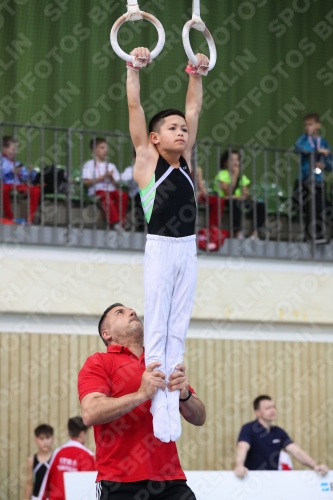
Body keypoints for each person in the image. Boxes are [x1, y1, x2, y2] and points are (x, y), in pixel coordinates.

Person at [127, 46, 208, 443]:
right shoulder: (147, 160)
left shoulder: (187, 161)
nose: (182, 131)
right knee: (156, 324)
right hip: (160, 247)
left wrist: (196, 73)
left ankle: (173, 391)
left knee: (179, 326)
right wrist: (133, 68)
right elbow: (135, 109)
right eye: (173, 129)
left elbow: (193, 109)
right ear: (156, 138)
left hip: (188, 250)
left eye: (184, 130)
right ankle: (155, 391)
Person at [79, 303, 205, 500]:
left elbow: (200, 418)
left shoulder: (163, 361)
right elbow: (90, 413)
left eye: (132, 310)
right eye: (120, 312)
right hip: (119, 482)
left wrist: (185, 395)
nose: (131, 312)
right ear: (107, 334)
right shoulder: (99, 362)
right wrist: (141, 394)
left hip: (171, 480)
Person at [234, 395, 328, 478]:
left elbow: (295, 450)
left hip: (273, 480)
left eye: (274, 407)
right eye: (268, 408)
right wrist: (239, 465)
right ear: (257, 412)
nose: (273, 410)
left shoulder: (278, 432)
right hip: (252, 479)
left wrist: (315, 466)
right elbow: (242, 447)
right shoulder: (248, 428)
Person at [294, 113, 332, 243]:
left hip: (319, 180)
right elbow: (300, 148)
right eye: (306, 125)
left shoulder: (324, 142)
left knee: (319, 208)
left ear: (318, 125)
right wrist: (317, 151)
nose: (307, 127)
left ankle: (318, 236)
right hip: (304, 179)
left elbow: (330, 164)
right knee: (309, 207)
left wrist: (323, 164)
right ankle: (310, 236)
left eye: (310, 124)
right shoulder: (303, 139)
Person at [38, 417, 95, 500]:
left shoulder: (58, 452)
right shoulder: (88, 455)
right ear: (82, 434)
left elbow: (46, 480)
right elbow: (91, 486)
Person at [214, 150, 266, 240]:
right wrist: (234, 176)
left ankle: (255, 233)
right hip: (225, 200)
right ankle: (237, 232)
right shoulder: (221, 174)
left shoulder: (242, 177)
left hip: (237, 199)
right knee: (234, 203)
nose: (235, 162)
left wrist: (233, 197)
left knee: (261, 206)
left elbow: (245, 195)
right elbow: (228, 192)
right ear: (225, 162)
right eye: (231, 160)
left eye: (237, 160)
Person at [82, 138, 128, 229]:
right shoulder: (89, 164)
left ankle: (121, 221)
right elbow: (87, 182)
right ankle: (115, 222)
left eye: (106, 148)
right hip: (97, 191)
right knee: (106, 196)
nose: (105, 150)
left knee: (123, 195)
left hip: (111, 189)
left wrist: (111, 178)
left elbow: (117, 184)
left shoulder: (111, 166)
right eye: (102, 147)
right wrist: (103, 177)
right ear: (94, 149)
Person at [1, 136, 40, 223]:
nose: (15, 152)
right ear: (4, 149)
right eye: (13, 149)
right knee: (2, 189)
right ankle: (10, 218)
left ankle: (29, 220)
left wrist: (30, 173)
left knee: (35, 190)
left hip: (17, 185)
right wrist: (11, 172)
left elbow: (25, 177)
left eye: (16, 149)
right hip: (5, 184)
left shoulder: (17, 163)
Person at [23, 424, 54, 500]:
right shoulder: (32, 459)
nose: (45, 442)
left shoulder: (56, 457)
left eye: (47, 438)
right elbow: (30, 483)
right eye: (41, 438)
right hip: (37, 497)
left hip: (53, 497)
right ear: (36, 440)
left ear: (52, 439)